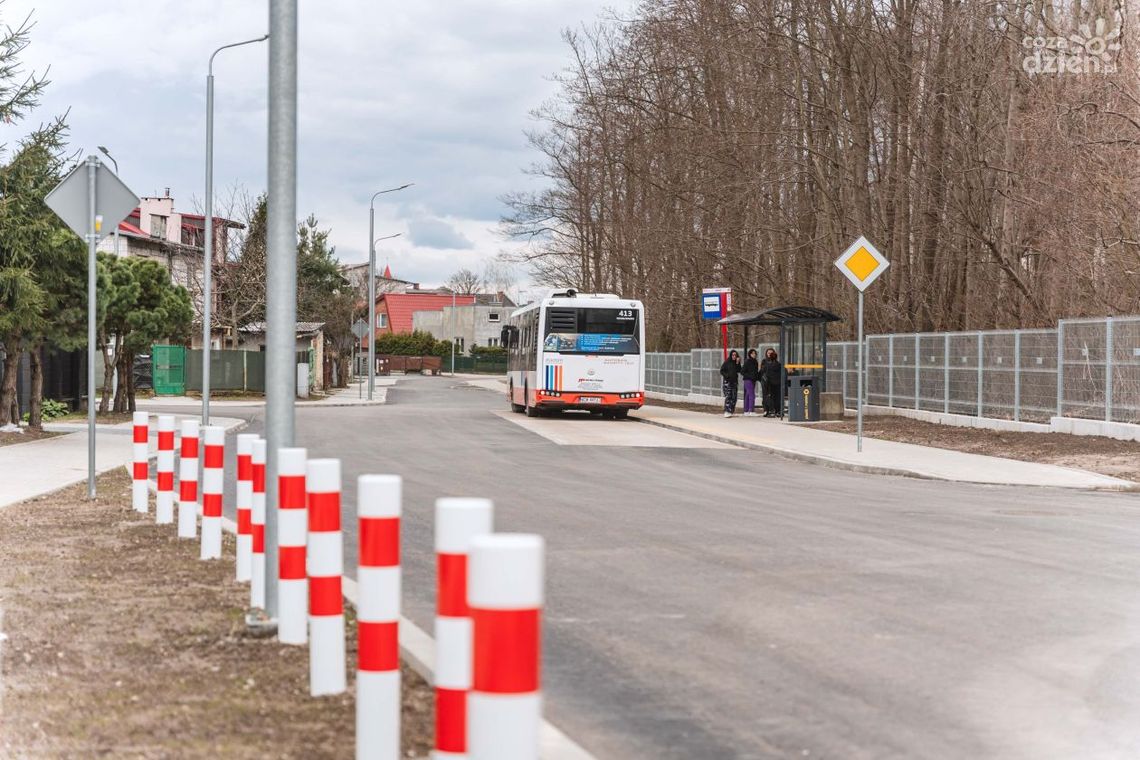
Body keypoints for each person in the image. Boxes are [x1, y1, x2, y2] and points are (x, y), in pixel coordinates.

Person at [760, 348, 783, 417]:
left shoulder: (777, 364)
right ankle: (767, 410)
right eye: (768, 353)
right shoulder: (764, 362)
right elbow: (762, 372)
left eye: (771, 353)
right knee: (767, 397)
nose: (770, 354)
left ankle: (774, 410)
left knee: (774, 397)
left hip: (773, 383)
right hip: (767, 383)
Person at [719, 349, 742, 418]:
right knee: (728, 396)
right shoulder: (727, 362)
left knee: (734, 397)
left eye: (735, 355)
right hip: (728, 382)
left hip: (734, 382)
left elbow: (739, 370)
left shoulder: (736, 363)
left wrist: (738, 363)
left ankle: (731, 410)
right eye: (733, 355)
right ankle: (727, 410)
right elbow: (721, 370)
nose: (734, 356)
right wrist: (727, 376)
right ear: (731, 355)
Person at [741, 349, 759, 416]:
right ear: (750, 354)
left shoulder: (755, 362)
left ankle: (746, 411)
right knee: (752, 395)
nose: (754, 355)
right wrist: (749, 376)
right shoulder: (747, 361)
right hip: (748, 380)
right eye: (752, 353)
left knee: (748, 395)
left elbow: (756, 371)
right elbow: (742, 371)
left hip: (753, 380)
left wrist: (756, 377)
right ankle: (751, 410)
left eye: (755, 353)